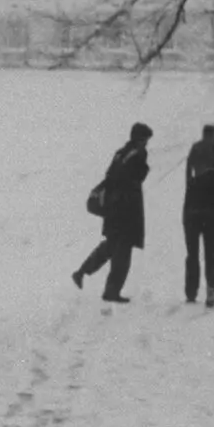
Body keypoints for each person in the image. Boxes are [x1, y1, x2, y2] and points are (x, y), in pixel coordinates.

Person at [72, 122, 152, 302]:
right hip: (126, 211)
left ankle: (82, 271)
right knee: (122, 254)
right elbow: (135, 178)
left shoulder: (119, 153)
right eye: (145, 140)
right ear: (140, 139)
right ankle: (111, 291)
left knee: (110, 246)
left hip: (113, 210)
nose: (146, 144)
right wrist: (143, 162)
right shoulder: (135, 155)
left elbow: (110, 177)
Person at [183, 125, 214, 306]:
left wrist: (191, 187)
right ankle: (211, 289)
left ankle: (191, 291)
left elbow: (188, 170)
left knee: (192, 253)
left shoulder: (196, 147)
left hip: (193, 205)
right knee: (211, 253)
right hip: (212, 208)